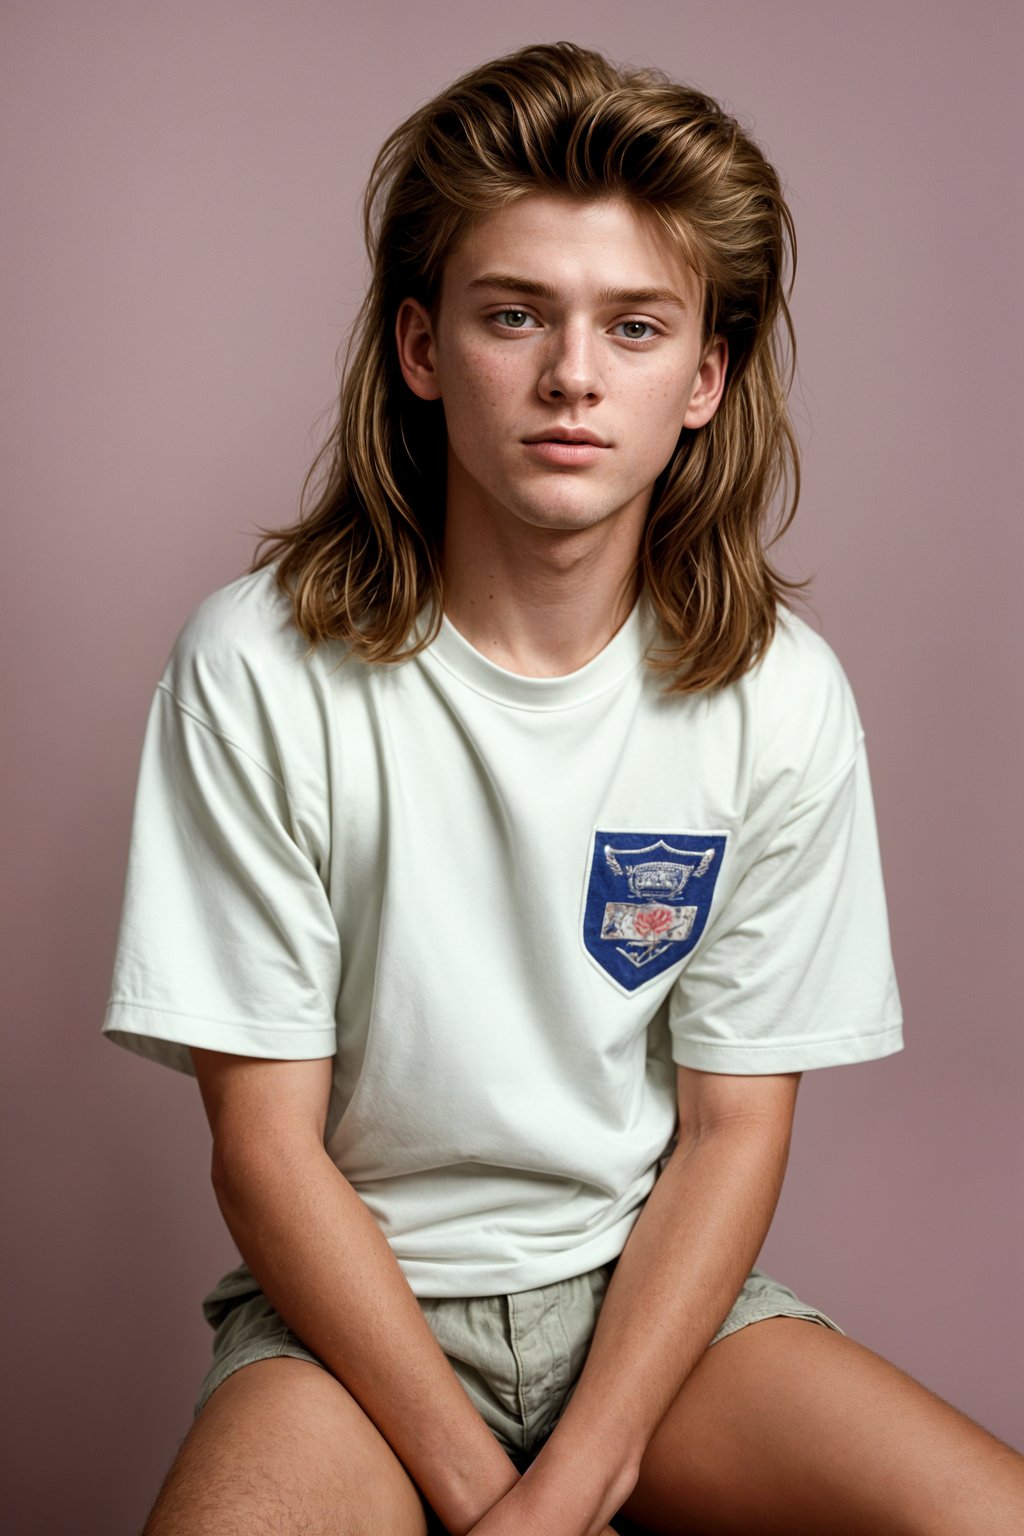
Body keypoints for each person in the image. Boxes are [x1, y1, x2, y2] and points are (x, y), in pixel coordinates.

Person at [103, 40, 1024, 1536]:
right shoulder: (257, 665)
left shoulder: (777, 696)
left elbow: (733, 1131)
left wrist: (580, 1472)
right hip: (351, 1331)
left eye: (637, 326)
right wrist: (492, 1500)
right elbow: (264, 1147)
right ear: (420, 348)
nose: (573, 377)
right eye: (514, 313)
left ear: (706, 378)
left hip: (644, 1311)